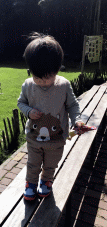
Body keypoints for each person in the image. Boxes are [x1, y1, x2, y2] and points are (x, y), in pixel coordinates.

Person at [17, 32, 84, 201]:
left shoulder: (63, 86)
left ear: (57, 69)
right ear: (30, 71)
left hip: (56, 139)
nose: (43, 82)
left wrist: (77, 120)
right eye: (38, 78)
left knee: (51, 164)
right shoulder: (28, 85)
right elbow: (20, 103)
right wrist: (28, 111)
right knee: (33, 164)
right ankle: (30, 184)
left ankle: (46, 181)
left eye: (48, 78)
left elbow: (73, 105)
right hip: (34, 137)